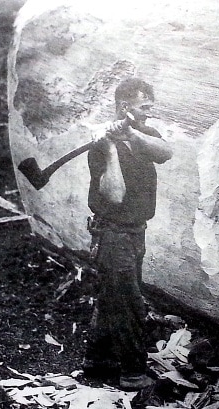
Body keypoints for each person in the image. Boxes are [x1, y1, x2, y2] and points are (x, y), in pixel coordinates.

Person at [82, 77, 173, 390]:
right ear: (125, 106)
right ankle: (133, 374)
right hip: (113, 236)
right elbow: (115, 194)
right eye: (143, 106)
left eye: (149, 106)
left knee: (112, 298)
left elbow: (165, 152)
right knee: (130, 304)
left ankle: (96, 362)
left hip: (136, 233)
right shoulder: (100, 147)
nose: (148, 112)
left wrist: (131, 132)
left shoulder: (141, 132)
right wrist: (109, 148)